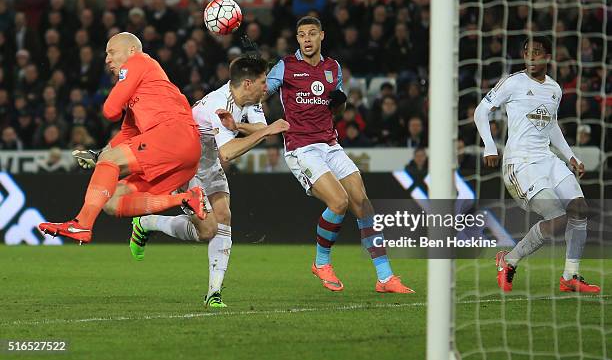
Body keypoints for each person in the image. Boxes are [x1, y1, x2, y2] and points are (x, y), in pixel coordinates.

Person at [266, 16, 413, 293]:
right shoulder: (286, 66)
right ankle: (321, 262)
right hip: (301, 146)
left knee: (363, 204)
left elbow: (339, 109)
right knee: (338, 202)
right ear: (297, 39)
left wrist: (340, 103)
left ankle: (385, 277)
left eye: (311, 34)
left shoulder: (333, 68)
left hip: (330, 144)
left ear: (322, 35)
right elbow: (263, 93)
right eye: (301, 35)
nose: (307, 39)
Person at [128, 56, 289, 308]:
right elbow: (229, 152)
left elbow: (258, 127)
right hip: (185, 165)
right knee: (207, 231)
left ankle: (214, 293)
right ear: (248, 83)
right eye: (262, 81)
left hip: (208, 162)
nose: (266, 86)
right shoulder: (219, 104)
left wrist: (240, 126)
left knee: (223, 216)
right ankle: (147, 222)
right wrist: (265, 132)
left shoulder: (250, 100)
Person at [38, 32, 205, 244]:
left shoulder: (138, 61)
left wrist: (106, 157)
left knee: (111, 161)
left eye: (112, 52)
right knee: (112, 201)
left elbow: (110, 111)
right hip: (185, 153)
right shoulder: (144, 86)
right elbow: (128, 134)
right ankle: (185, 198)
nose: (107, 59)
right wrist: (98, 154)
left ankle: (81, 224)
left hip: (172, 134)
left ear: (131, 51)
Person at [474, 36, 600, 293]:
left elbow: (551, 126)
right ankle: (508, 260)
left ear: (548, 57)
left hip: (547, 159)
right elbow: (481, 111)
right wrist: (489, 146)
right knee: (557, 218)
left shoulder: (554, 89)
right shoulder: (513, 82)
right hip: (520, 162)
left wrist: (571, 156)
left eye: (538, 53)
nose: (532, 57)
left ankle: (570, 276)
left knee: (579, 208)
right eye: (528, 52)